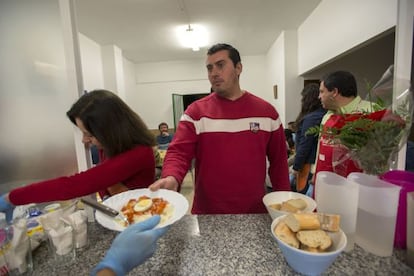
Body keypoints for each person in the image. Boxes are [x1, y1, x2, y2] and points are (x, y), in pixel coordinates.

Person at [149, 43, 290, 214]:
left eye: (220, 65)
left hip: (255, 211)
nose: (214, 73)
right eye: (209, 68)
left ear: (238, 68)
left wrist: (284, 202)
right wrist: (171, 176)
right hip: (208, 213)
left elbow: (279, 162)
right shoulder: (195, 113)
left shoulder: (267, 113)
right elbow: (178, 152)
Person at [0, 90, 156, 222]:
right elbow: (103, 180)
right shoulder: (110, 147)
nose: (84, 140)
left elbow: (74, 185)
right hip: (120, 215)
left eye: (89, 134)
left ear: (110, 131)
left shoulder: (137, 153)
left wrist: (12, 198)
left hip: (138, 221)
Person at [314, 71, 379, 186]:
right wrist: (315, 175)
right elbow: (320, 149)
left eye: (321, 92)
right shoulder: (327, 115)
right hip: (324, 184)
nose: (319, 96)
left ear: (334, 92)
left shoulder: (371, 111)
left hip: (355, 188)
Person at [290, 83, 326, 195]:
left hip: (308, 165)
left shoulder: (312, 118)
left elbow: (305, 146)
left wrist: (296, 167)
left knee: (302, 196)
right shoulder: (322, 114)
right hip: (313, 162)